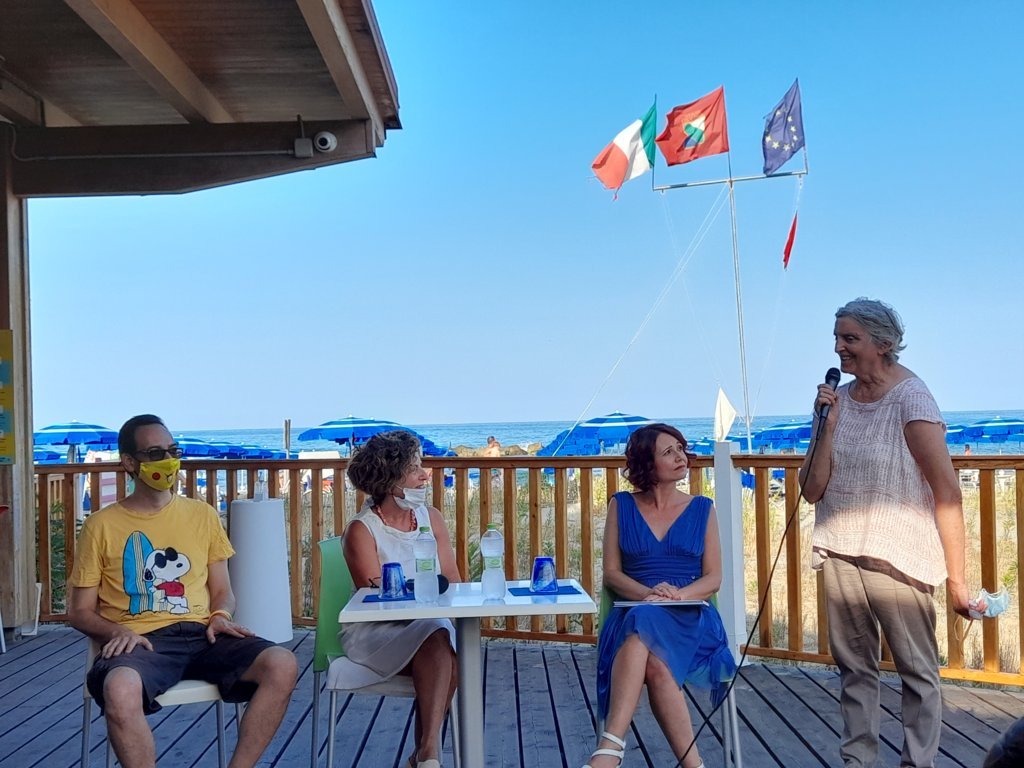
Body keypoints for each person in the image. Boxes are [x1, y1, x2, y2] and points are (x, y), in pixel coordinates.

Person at [68, 414, 297, 768]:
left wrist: (220, 615)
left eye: (173, 451)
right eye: (155, 453)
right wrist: (116, 631)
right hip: (140, 643)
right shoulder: (101, 525)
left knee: (281, 663)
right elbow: (79, 611)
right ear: (129, 462)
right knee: (119, 688)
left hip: (203, 634)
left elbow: (223, 590)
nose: (168, 461)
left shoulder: (203, 515)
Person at [799, 298, 972, 768]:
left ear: (884, 343)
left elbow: (947, 491)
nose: (839, 348)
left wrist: (958, 580)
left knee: (916, 670)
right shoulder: (836, 402)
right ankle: (858, 761)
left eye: (850, 338)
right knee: (854, 669)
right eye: (837, 338)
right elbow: (811, 490)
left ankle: (918, 762)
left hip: (898, 557)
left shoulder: (911, 398)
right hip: (839, 550)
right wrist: (826, 426)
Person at [587, 423, 736, 768]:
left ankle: (611, 746)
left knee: (645, 622)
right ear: (647, 463)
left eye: (681, 449)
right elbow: (612, 574)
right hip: (633, 610)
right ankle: (695, 766)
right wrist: (649, 594)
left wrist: (675, 596)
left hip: (691, 618)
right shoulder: (621, 505)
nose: (681, 457)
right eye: (669, 452)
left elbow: (713, 578)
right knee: (652, 650)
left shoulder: (703, 508)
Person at [342, 430, 460, 768]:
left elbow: (453, 581)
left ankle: (426, 755)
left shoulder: (431, 518)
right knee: (443, 643)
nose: (425, 475)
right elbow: (378, 600)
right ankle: (427, 755)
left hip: (430, 625)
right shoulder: (362, 530)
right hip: (377, 630)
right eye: (414, 469)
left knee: (442, 637)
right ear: (391, 479)